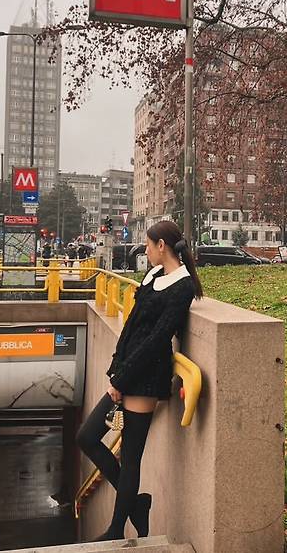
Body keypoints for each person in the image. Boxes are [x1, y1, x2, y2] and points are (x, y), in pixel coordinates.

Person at [76, 220, 203, 542]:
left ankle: (116, 529)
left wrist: (122, 379)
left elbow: (158, 339)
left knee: (131, 458)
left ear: (162, 246)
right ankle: (136, 504)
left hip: (147, 377)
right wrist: (116, 369)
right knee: (87, 437)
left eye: (148, 245)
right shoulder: (153, 275)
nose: (145, 250)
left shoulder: (183, 286)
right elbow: (132, 326)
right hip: (128, 371)